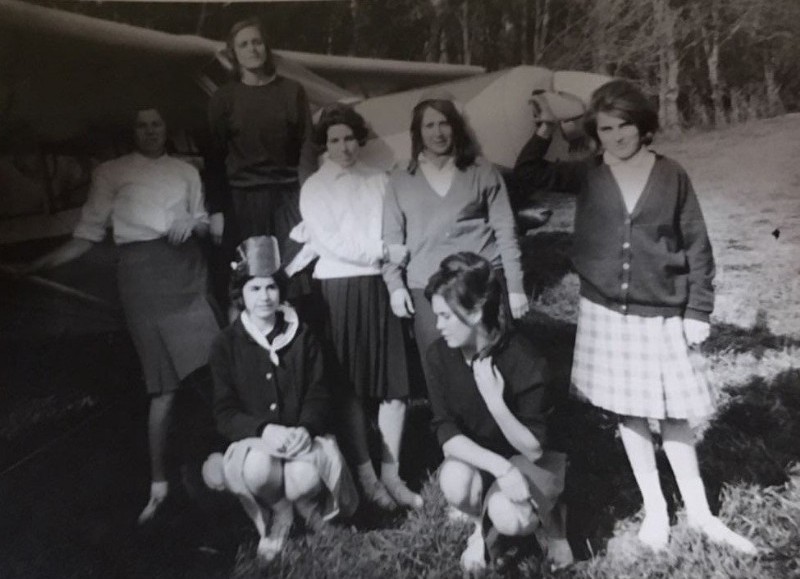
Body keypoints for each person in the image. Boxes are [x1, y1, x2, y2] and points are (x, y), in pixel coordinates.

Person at [514, 79, 757, 554]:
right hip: (606, 312)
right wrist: (545, 131)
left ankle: (701, 512)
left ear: (642, 126)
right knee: (630, 410)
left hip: (662, 310)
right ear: (594, 132)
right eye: (605, 128)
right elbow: (528, 173)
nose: (617, 136)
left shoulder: (672, 175)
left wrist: (698, 309)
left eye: (625, 125)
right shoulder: (588, 173)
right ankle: (657, 510)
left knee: (673, 414)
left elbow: (697, 245)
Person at [11, 106, 220, 524]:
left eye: (157, 124)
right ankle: (159, 486)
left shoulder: (185, 171)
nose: (150, 132)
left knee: (216, 366)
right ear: (132, 132)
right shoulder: (110, 172)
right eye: (141, 126)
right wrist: (31, 268)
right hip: (143, 278)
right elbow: (86, 236)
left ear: (167, 128)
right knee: (164, 388)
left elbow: (202, 224)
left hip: (188, 273)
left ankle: (233, 461)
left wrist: (190, 224)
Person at [202, 236, 358, 566]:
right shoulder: (226, 344)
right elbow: (224, 411)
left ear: (281, 290)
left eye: (271, 288)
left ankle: (308, 509)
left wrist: (306, 427)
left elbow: (319, 391)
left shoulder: (302, 334)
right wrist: (263, 429)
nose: (264, 297)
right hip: (258, 445)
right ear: (240, 294)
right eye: (254, 289)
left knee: (304, 475)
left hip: (301, 440)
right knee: (257, 468)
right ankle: (280, 512)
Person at [298, 104, 422, 510]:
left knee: (394, 385)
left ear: (359, 138)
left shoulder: (379, 179)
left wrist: (388, 259)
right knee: (349, 388)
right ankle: (367, 478)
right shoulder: (315, 187)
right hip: (338, 288)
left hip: (380, 284)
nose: (344, 146)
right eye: (334, 140)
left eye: (349, 137)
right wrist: (383, 250)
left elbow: (395, 225)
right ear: (324, 144)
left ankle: (392, 473)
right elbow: (330, 242)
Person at [425, 252, 573, 573]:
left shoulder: (523, 358)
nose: (438, 326)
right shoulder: (438, 355)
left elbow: (534, 447)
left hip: (534, 457)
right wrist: (501, 470)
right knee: (453, 480)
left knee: (509, 516)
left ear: (477, 311)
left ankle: (553, 522)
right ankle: (481, 526)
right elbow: (447, 434)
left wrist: (496, 402)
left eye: (446, 316)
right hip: (489, 458)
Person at [382, 90, 529, 385]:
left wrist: (515, 286)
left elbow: (505, 230)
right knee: (441, 368)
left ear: (456, 127)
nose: (438, 132)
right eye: (429, 125)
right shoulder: (400, 179)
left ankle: (501, 426)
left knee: (494, 362)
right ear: (418, 132)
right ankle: (450, 429)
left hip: (481, 280)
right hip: (426, 284)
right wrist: (395, 286)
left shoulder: (481, 171)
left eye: (444, 123)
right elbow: (391, 239)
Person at [206, 17, 317, 310]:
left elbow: (307, 145)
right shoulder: (224, 98)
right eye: (243, 44)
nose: (252, 49)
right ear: (234, 52)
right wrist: (216, 210)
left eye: (257, 42)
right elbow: (214, 157)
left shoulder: (291, 91)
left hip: (288, 199)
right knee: (252, 282)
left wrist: (310, 198)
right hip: (244, 204)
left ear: (267, 47)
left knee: (296, 280)